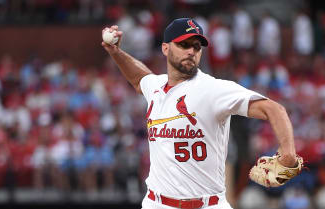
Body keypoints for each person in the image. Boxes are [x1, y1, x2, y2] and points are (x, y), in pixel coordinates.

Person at [102, 18, 298, 209]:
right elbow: (139, 79)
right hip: (156, 202)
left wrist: (288, 153)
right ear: (165, 48)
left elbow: (274, 109)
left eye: (196, 46)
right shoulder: (155, 86)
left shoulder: (213, 89)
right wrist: (116, 52)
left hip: (208, 203)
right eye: (184, 44)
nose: (191, 51)